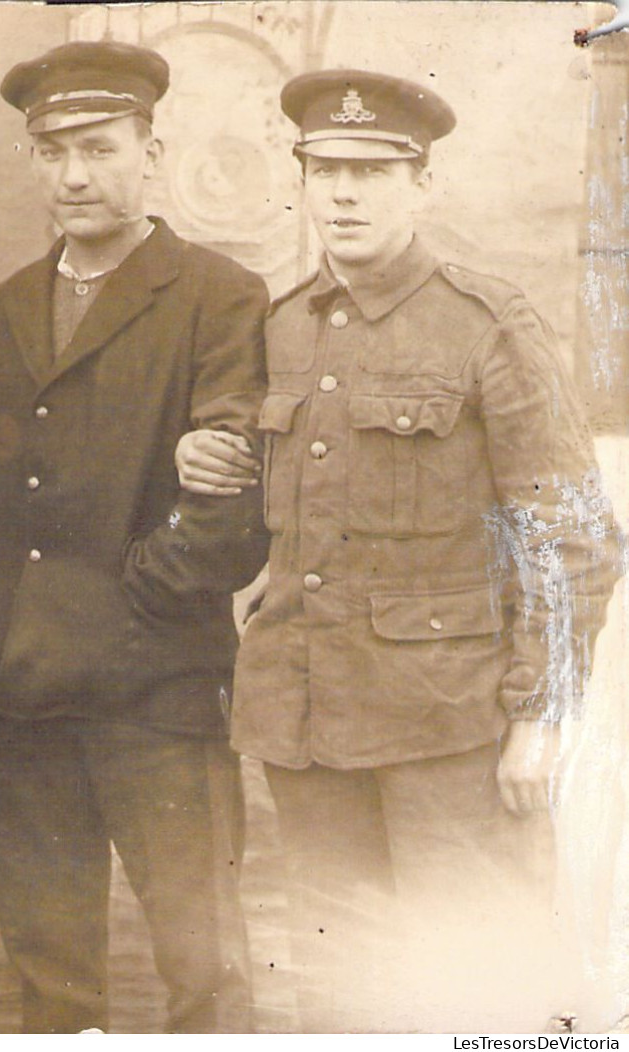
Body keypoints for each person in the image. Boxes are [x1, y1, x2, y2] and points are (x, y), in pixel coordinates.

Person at [174, 69, 624, 1031]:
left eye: (373, 171)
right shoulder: (285, 326)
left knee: (483, 987)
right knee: (342, 996)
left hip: (449, 733)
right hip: (308, 725)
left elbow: (570, 541)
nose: (343, 193)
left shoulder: (487, 324)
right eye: (325, 167)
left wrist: (539, 718)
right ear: (300, 178)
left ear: (423, 185)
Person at [0, 41, 268, 1034]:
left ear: (148, 152)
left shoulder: (218, 295)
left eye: (96, 146)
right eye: (50, 151)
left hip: (153, 682)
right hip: (23, 685)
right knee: (47, 958)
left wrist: (124, 608)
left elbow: (229, 514)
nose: (72, 174)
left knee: (198, 954)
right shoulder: (2, 309)